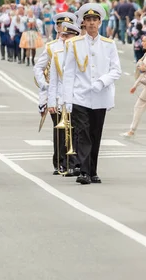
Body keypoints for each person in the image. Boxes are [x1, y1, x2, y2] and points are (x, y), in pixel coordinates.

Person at [62, 3, 121, 185]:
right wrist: (67, 99)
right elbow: (69, 72)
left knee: (95, 134)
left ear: (100, 22)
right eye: (88, 20)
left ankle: (93, 170)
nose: (91, 23)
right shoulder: (74, 44)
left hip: (100, 96)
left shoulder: (109, 45)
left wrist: (102, 82)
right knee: (83, 132)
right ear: (84, 23)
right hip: (80, 96)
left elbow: (116, 70)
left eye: (95, 20)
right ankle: (84, 172)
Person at [47, 21, 81, 176]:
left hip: (79, 98)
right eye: (63, 36)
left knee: (77, 132)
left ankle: (75, 163)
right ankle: (63, 163)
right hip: (62, 98)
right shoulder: (57, 54)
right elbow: (53, 81)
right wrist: (51, 102)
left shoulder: (82, 52)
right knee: (63, 133)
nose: (65, 39)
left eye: (68, 36)